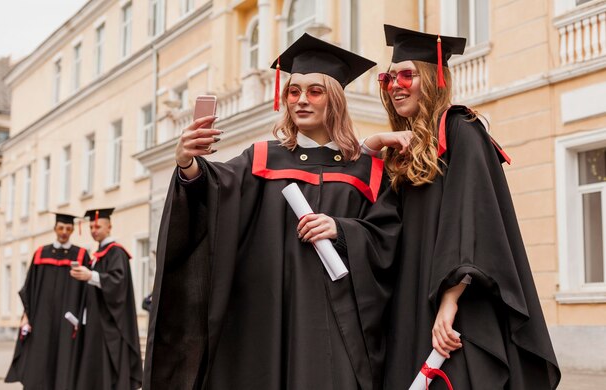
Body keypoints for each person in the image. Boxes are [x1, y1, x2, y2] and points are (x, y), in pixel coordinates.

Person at [144, 33, 402, 390]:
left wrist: (342, 230)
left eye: (315, 91)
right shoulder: (261, 158)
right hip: (265, 319)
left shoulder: (367, 170)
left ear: (336, 100)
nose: (301, 100)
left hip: (334, 322)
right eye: (293, 92)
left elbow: (388, 238)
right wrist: (187, 162)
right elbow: (213, 191)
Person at [367, 25, 561, 389]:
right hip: (412, 302)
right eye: (389, 78)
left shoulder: (460, 128)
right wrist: (372, 143)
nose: (395, 85)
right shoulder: (402, 150)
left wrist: (449, 300)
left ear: (433, 77)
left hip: (459, 304)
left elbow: (471, 216)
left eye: (407, 75)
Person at [5, 213, 89, 389]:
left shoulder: (80, 255)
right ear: (55, 229)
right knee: (39, 363)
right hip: (41, 320)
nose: (64, 232)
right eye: (61, 228)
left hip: (67, 322)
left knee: (64, 363)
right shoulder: (41, 254)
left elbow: (87, 292)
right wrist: (26, 317)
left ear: (73, 230)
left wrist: (82, 319)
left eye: (68, 228)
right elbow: (29, 287)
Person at [69, 207, 142, 389]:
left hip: (109, 324)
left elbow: (118, 282)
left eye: (98, 227)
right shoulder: (98, 255)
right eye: (91, 228)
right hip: (95, 321)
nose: (94, 231)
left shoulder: (116, 252)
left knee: (108, 369)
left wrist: (91, 276)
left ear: (109, 227)